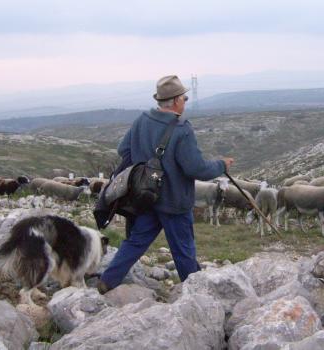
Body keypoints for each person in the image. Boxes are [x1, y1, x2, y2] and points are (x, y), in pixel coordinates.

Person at [97, 75, 233, 293]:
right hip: (175, 203)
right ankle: (196, 294)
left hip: (146, 197)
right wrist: (221, 165)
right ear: (177, 101)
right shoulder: (182, 129)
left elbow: (123, 150)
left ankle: (107, 280)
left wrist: (146, 166)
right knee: (183, 251)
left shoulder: (142, 120)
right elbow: (196, 169)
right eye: (184, 98)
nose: (185, 102)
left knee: (135, 242)